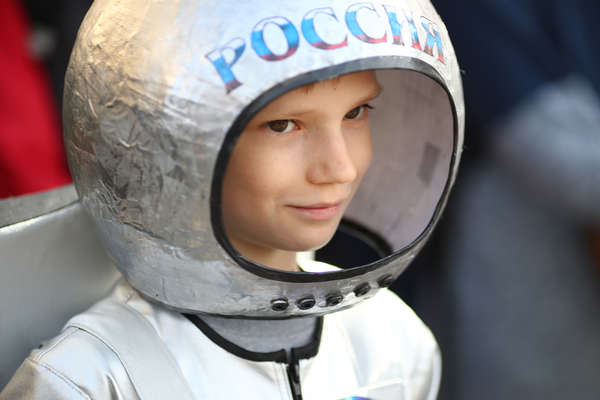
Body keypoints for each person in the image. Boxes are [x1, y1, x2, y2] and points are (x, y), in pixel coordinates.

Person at [0, 0, 463, 399]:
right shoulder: (96, 378)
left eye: (356, 112)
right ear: (169, 140)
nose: (339, 168)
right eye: (282, 125)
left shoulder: (391, 343)